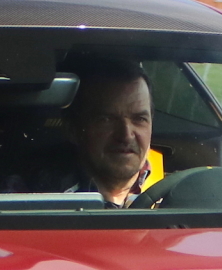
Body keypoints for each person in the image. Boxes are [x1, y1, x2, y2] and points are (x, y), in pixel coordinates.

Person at [61, 55, 157, 204]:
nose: (126, 135)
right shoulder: (40, 197)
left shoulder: (179, 194)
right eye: (107, 120)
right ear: (73, 129)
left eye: (139, 119)